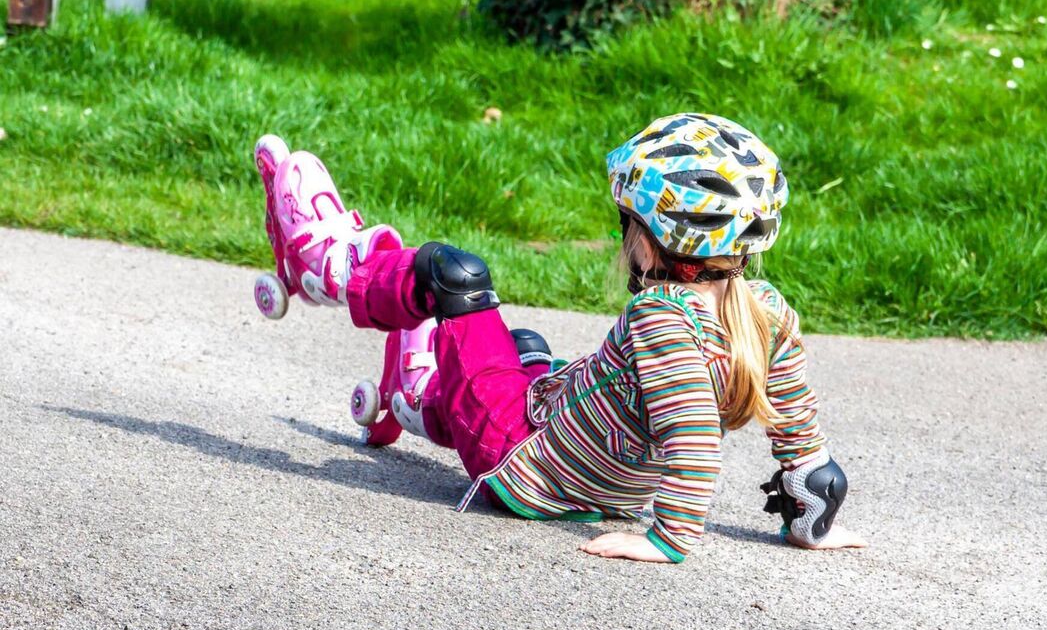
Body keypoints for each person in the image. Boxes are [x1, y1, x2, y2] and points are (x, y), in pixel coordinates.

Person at [250, 113, 865, 563]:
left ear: (648, 237)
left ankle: (323, 266)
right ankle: (413, 396)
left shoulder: (661, 316)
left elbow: (694, 436)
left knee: (454, 276)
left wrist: (668, 539)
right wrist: (812, 524)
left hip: (516, 457)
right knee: (525, 352)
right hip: (582, 470)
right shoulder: (765, 313)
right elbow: (802, 440)